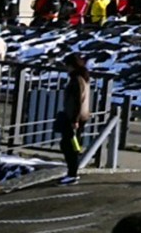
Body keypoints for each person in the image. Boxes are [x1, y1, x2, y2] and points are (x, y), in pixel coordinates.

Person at [57, 53, 93, 184]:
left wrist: (74, 120)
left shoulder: (77, 79)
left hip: (74, 118)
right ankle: (72, 172)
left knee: (69, 146)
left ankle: (72, 173)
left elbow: (78, 100)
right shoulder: (83, 78)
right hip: (79, 116)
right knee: (72, 145)